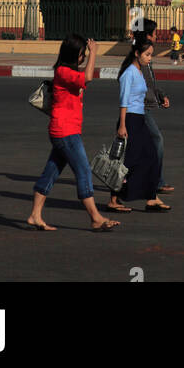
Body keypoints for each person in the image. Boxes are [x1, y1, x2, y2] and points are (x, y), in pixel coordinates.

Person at [28, 35, 119, 231]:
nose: (84, 57)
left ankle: (35, 215)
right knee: (83, 171)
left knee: (51, 172)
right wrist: (95, 52)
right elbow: (88, 77)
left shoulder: (67, 71)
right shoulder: (62, 72)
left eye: (84, 54)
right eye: (81, 54)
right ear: (72, 55)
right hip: (65, 131)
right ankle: (95, 217)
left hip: (65, 130)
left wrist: (90, 53)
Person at [108, 34, 170, 213]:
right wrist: (122, 125)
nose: (149, 59)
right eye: (147, 55)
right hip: (130, 120)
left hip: (139, 118)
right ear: (137, 53)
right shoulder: (128, 73)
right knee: (127, 161)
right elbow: (123, 100)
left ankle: (151, 198)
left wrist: (160, 99)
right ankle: (113, 198)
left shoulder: (140, 72)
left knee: (150, 155)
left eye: (151, 55)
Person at [141, 19, 173, 194]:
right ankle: (157, 182)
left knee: (140, 147)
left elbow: (150, 82)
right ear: (147, 35)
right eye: (154, 33)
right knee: (156, 141)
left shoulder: (146, 55)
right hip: (139, 108)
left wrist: (161, 95)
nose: (156, 36)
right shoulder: (138, 57)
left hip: (144, 106)